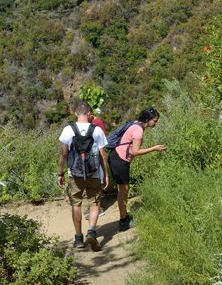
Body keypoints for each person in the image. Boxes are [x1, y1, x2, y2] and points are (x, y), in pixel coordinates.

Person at [58, 101, 109, 250]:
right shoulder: (97, 130)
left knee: (76, 204)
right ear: (89, 113)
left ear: (75, 113)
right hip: (94, 174)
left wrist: (60, 173)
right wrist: (105, 174)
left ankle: (79, 239)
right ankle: (92, 231)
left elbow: (63, 154)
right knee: (94, 203)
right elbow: (102, 155)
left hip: (75, 174)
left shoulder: (68, 130)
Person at [107, 107, 166, 230]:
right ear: (147, 119)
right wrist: (154, 148)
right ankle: (124, 221)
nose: (156, 123)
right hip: (119, 159)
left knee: (123, 189)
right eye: (155, 121)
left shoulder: (135, 124)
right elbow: (136, 151)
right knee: (123, 190)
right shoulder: (138, 130)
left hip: (117, 157)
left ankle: (124, 218)